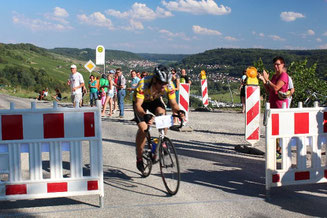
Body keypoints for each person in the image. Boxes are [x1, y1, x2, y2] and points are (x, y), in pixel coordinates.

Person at [133, 65, 184, 173]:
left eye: (165, 83)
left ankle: (161, 141)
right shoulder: (143, 84)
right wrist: (145, 115)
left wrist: (179, 111)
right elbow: (138, 106)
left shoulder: (168, 85)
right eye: (161, 83)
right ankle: (139, 157)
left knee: (162, 114)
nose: (163, 86)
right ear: (155, 80)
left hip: (154, 100)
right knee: (144, 128)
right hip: (140, 103)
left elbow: (173, 103)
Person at [258, 56, 289, 159]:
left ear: (282, 65)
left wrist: (267, 79)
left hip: (280, 106)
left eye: (278, 64)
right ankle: (276, 150)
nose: (276, 66)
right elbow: (269, 89)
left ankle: (280, 151)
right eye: (275, 64)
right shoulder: (275, 76)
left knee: (279, 130)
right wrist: (264, 80)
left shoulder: (283, 76)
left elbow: (276, 88)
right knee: (273, 129)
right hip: (273, 105)